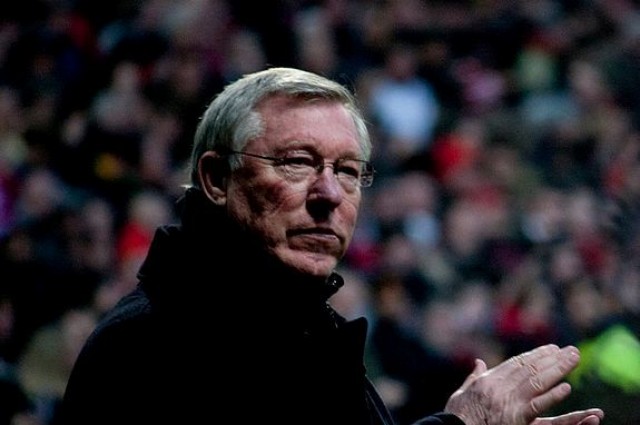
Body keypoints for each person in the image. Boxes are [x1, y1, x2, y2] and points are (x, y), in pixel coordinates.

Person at [58, 67, 604, 425]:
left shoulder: (301, 334)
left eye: (347, 171)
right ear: (217, 179)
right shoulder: (154, 344)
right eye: (298, 162)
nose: (329, 195)